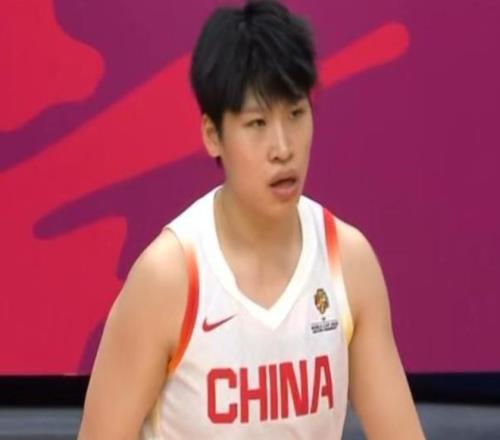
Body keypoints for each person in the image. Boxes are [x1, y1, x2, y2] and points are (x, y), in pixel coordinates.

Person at [78, 1, 426, 438]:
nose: (283, 148)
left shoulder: (348, 263)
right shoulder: (168, 277)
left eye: (296, 114)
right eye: (257, 123)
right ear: (212, 135)